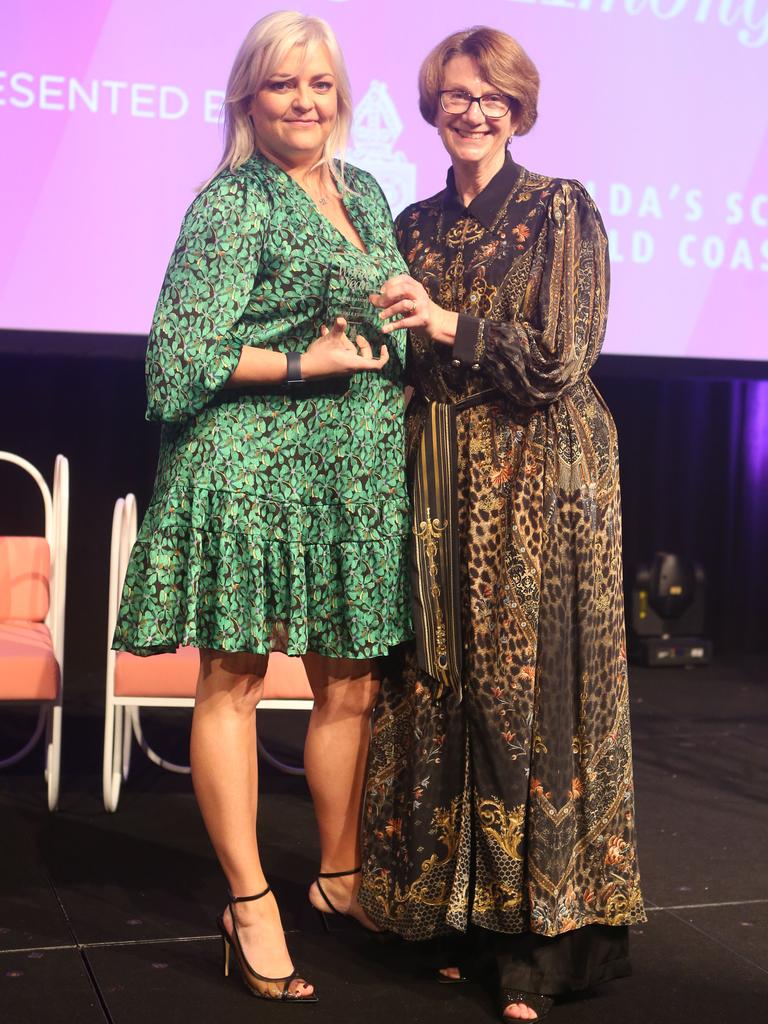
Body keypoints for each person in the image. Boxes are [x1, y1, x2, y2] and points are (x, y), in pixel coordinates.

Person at [112, 11, 410, 1003]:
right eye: (284, 85)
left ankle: (338, 874)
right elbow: (177, 361)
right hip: (247, 468)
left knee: (351, 687)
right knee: (234, 681)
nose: (305, 102)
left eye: (320, 84)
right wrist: (301, 360)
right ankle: (248, 901)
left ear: (341, 96)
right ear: (250, 96)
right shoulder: (233, 204)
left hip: (347, 480)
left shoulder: (365, 191)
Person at [361, 26, 645, 1022]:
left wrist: (447, 323)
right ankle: (459, 922)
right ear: (432, 104)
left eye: (490, 95)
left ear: (519, 108)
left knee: (531, 700)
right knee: (445, 689)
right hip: (444, 485)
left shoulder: (562, 207)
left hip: (546, 484)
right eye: (454, 92)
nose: (470, 109)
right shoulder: (412, 223)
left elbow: (563, 357)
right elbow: (400, 362)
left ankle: (537, 946)